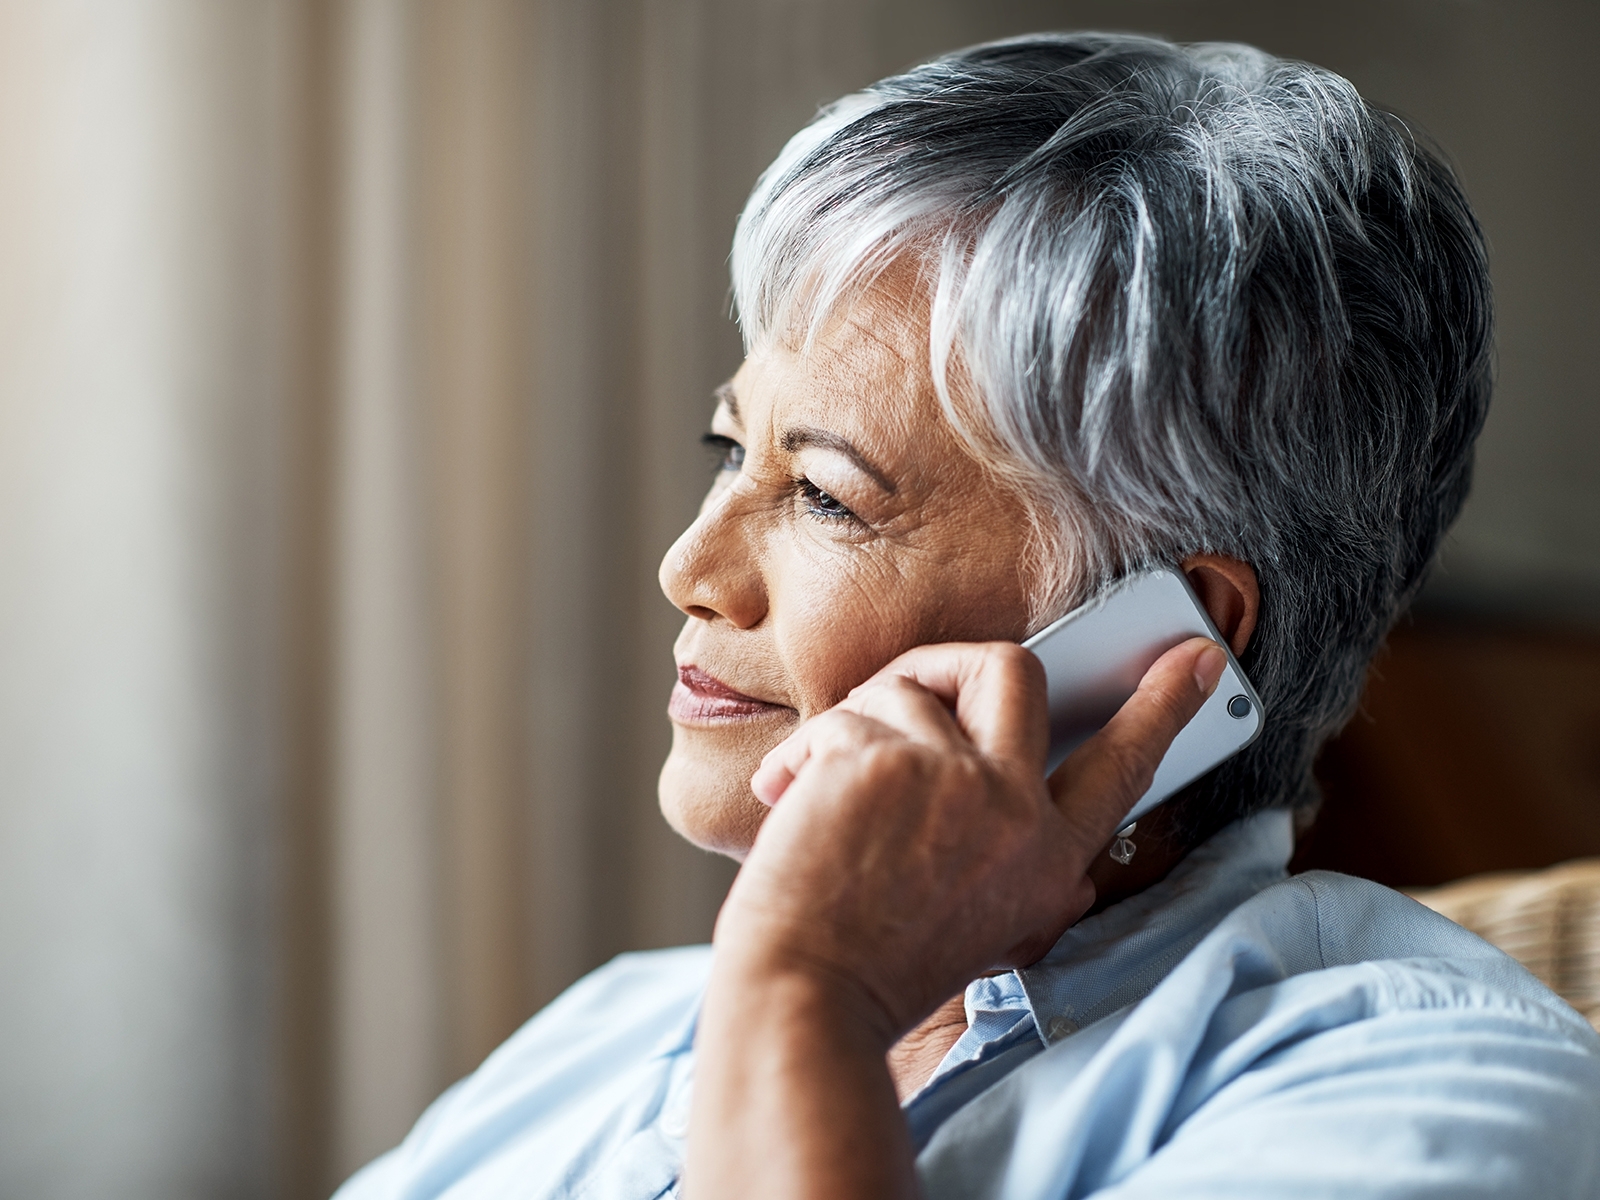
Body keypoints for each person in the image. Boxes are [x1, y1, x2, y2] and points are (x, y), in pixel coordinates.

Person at [335, 32, 1600, 1199]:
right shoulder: (616, 1030)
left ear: (1164, 643)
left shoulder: (1428, 1101)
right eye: (730, 450)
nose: (688, 565)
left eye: (825, 497)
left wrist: (807, 1002)